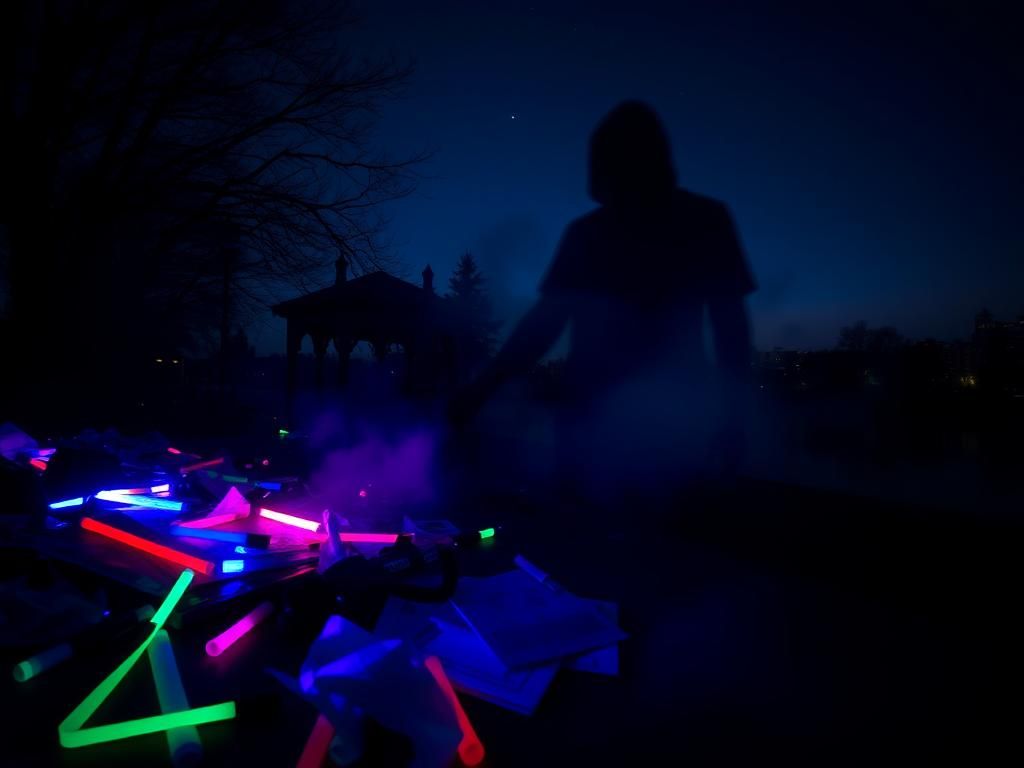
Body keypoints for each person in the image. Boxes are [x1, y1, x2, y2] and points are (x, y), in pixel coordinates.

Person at [450, 101, 756, 500]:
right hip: (610, 422)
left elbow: (543, 324)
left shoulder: (600, 232)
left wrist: (482, 389)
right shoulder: (699, 219)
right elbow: (730, 325)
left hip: (639, 420)